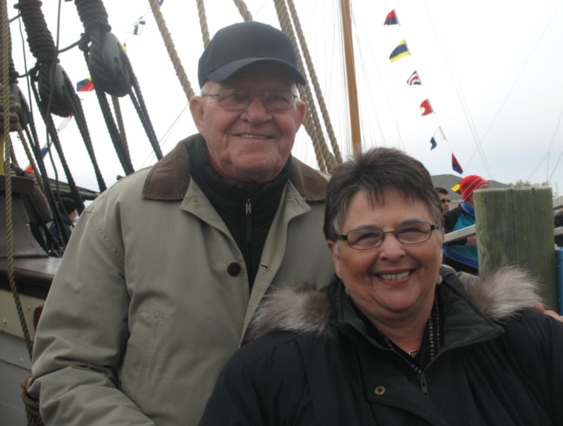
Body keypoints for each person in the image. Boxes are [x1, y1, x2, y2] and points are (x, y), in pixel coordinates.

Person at [28, 21, 335, 426]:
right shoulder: (118, 215)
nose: (257, 114)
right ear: (199, 113)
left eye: (276, 99)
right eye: (235, 96)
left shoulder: (341, 216)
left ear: (298, 115)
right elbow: (67, 369)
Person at [200, 147, 563, 426]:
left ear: (437, 238)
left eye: (412, 230)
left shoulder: (528, 343)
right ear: (335, 253)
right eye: (367, 236)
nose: (393, 251)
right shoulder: (267, 375)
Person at [442, 174, 488, 275]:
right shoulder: (452, 216)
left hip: (487, 269)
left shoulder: (490, 214)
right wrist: (465, 240)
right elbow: (437, 236)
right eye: (483, 189)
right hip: (458, 269)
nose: (488, 192)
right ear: (471, 193)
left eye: (487, 188)